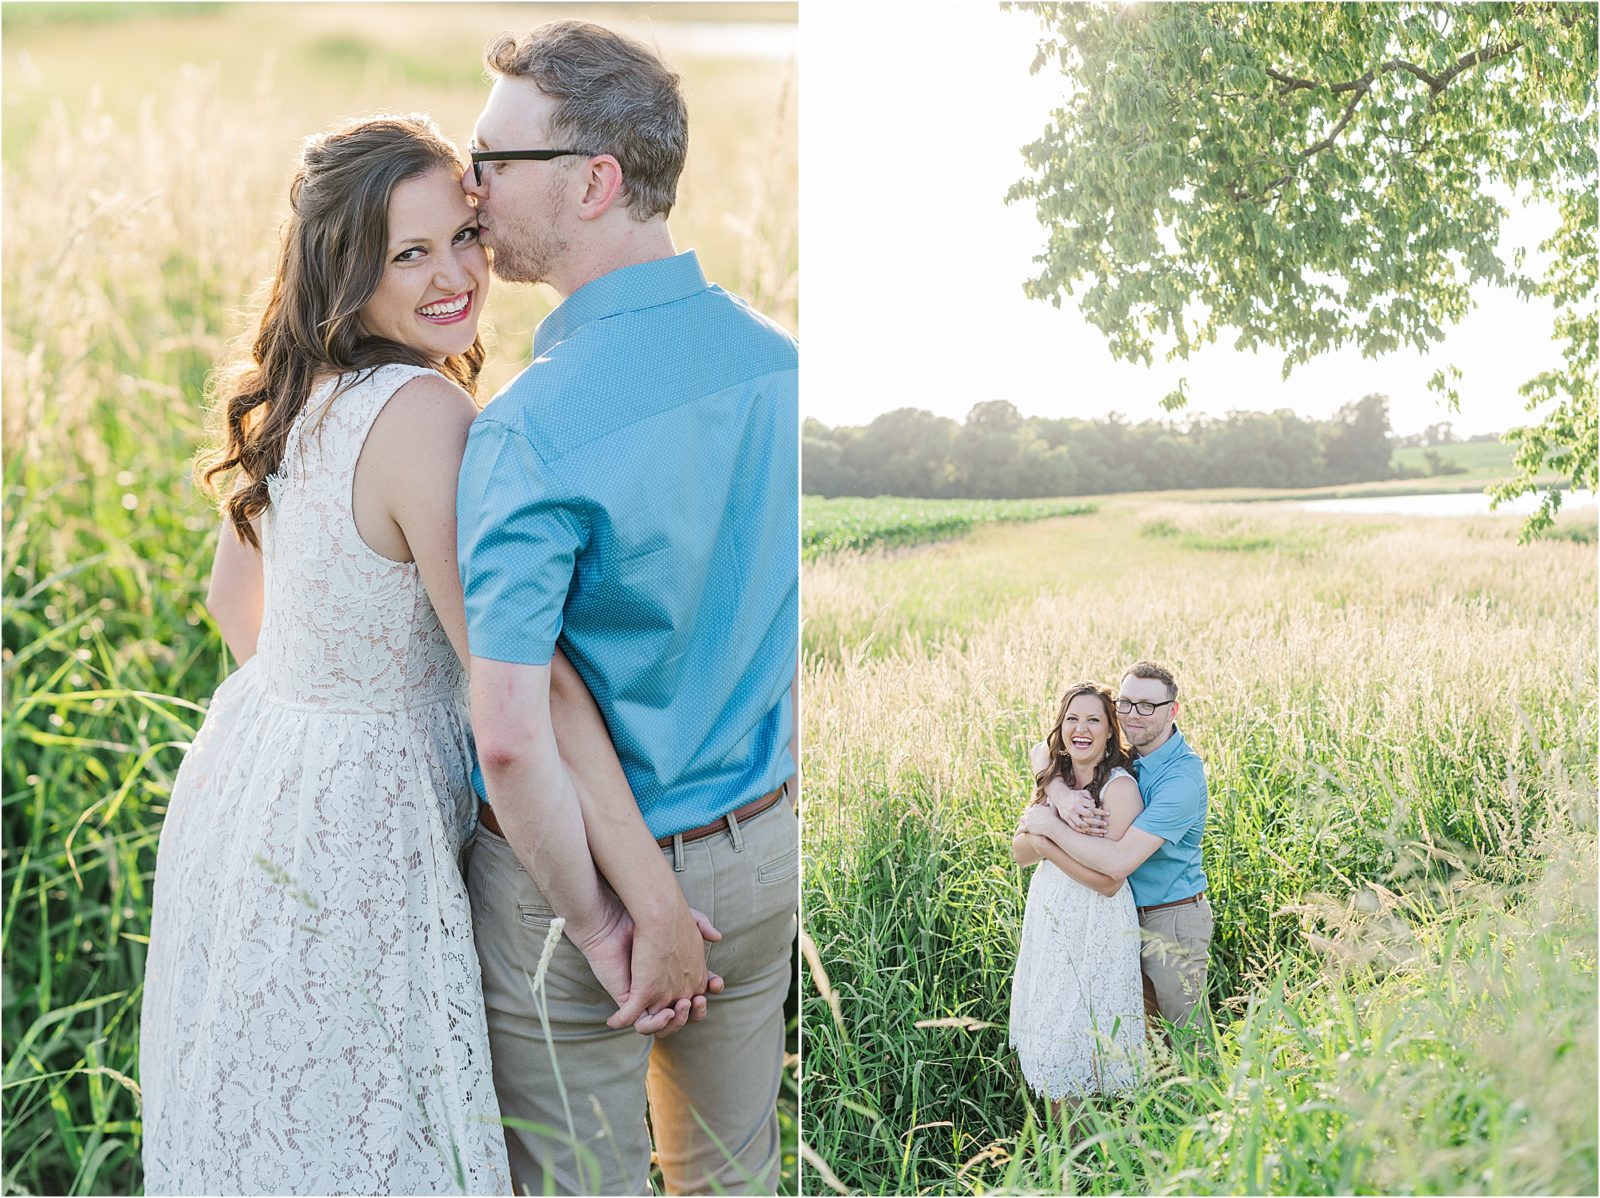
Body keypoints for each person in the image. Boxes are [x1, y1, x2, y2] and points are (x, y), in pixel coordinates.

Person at [139, 113, 694, 1195]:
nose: (454, 277)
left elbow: (230, 595)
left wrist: (324, 704)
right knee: (380, 1120)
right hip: (357, 820)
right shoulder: (423, 410)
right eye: (409, 254)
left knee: (286, 1114)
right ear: (347, 269)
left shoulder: (298, 386)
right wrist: (625, 912)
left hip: (253, 775)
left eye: (463, 237)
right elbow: (518, 678)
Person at [454, 20, 799, 1197]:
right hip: (764, 853)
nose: (470, 186)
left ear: (595, 181)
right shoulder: (783, 368)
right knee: (733, 1179)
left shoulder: (524, 429)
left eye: (493, 158)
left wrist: (617, 920)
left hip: (581, 897)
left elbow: (508, 732)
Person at [1026, 662, 1213, 1038]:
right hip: (1119, 920)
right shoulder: (1130, 754)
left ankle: (1212, 1100)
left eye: (1148, 706)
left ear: (1172, 710)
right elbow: (1041, 750)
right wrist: (1059, 795)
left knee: (1188, 1043)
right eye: (1126, 703)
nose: (1133, 715)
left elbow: (1117, 864)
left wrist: (1047, 828)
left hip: (1170, 919)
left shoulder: (1181, 779)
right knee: (1141, 1044)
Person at [1010, 683, 1146, 1118]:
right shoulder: (1057, 783)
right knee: (1053, 1031)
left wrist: (1048, 837)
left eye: (1093, 720)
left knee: (1088, 1035)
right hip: (1052, 917)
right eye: (1072, 719)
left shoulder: (1120, 789)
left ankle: (1099, 1156)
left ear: (1110, 732)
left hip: (1097, 920)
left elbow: (1107, 881)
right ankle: (1066, 1160)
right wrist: (1052, 806)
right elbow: (1018, 851)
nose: (1080, 729)